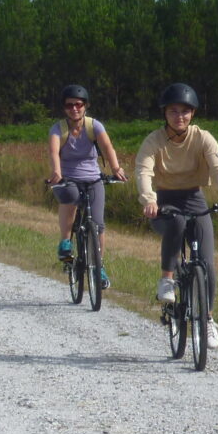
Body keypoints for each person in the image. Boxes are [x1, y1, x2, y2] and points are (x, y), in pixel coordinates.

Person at [134, 82, 218, 349]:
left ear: (192, 113)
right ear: (165, 113)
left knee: (207, 264)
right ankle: (167, 280)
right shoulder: (154, 140)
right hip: (164, 201)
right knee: (177, 223)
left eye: (185, 111)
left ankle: (207, 319)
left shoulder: (203, 138)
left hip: (195, 198)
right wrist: (149, 200)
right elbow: (143, 171)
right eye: (173, 111)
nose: (179, 116)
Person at [47, 84, 126, 286]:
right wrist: (57, 172)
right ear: (64, 108)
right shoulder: (58, 129)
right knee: (70, 197)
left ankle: (99, 268)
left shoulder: (94, 126)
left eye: (78, 105)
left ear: (85, 106)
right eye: (69, 105)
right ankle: (65, 241)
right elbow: (54, 152)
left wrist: (116, 168)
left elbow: (107, 146)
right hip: (68, 177)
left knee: (98, 224)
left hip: (93, 178)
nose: (74, 109)